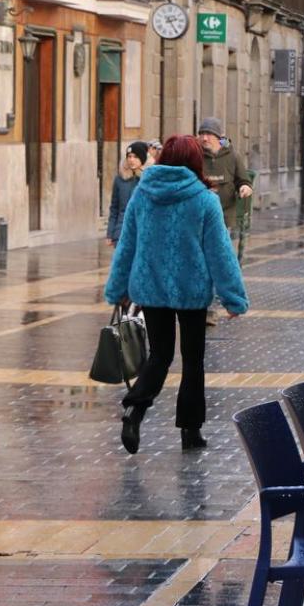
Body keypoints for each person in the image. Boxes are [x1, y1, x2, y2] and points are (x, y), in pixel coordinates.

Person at [105, 134, 248, 455]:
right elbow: (220, 254)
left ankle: (135, 409)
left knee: (159, 356)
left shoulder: (143, 194)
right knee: (193, 360)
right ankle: (190, 430)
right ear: (195, 161)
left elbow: (127, 245)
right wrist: (233, 298)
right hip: (191, 290)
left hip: (151, 289)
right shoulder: (204, 200)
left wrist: (117, 289)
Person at [197, 118, 252, 230]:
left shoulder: (233, 156)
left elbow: (244, 181)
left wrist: (244, 187)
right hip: (199, 213)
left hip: (224, 215)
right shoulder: (195, 155)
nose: (204, 138)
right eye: (201, 134)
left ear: (219, 137)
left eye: (209, 134)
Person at [107, 141, 149, 245]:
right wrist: (110, 233)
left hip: (141, 232)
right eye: (129, 156)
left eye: (135, 157)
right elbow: (114, 208)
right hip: (121, 232)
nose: (131, 160)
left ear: (142, 159)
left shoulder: (148, 179)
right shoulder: (120, 179)